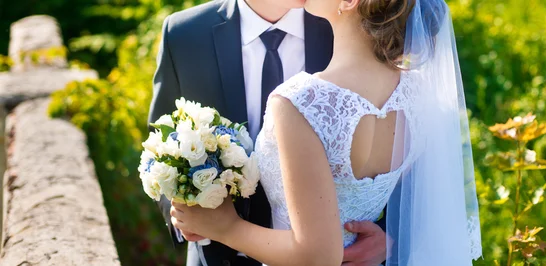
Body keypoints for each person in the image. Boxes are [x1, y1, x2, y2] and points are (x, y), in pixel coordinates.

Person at [170, 0, 483, 265]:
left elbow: (318, 255)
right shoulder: (421, 94)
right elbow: (425, 200)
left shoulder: (300, 101)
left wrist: (226, 227)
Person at [148, 0, 389, 265]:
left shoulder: (341, 20)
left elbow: (392, 126)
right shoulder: (185, 33)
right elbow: (161, 139)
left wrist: (389, 238)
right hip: (216, 255)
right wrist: (181, 211)